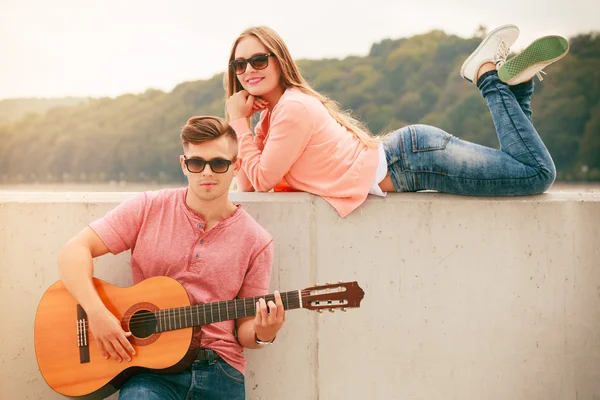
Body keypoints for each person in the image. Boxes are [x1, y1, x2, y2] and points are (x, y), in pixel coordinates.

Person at [224, 25, 570, 217]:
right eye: (240, 65)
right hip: (410, 159)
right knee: (525, 166)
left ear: (278, 60)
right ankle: (518, 85)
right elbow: (249, 185)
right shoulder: (271, 117)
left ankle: (485, 75)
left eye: (257, 60)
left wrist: (237, 123)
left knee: (536, 173)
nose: (249, 71)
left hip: (413, 160)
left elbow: (263, 178)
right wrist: (245, 125)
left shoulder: (292, 109)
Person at [57, 116, 284, 400]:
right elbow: (74, 251)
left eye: (219, 163)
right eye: (196, 163)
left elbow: (245, 332)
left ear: (236, 166)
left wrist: (264, 333)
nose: (207, 173)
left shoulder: (257, 240)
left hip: (220, 371)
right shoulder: (149, 207)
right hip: (151, 371)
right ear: (183, 164)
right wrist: (97, 313)